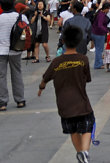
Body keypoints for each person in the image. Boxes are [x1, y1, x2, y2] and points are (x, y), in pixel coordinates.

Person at [38, 26, 95, 163]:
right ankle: (85, 152)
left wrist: (41, 87)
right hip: (81, 102)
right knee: (88, 126)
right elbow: (87, 78)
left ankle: (80, 153)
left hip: (64, 105)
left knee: (73, 130)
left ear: (62, 41)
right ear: (79, 41)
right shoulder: (83, 60)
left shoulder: (56, 61)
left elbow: (45, 77)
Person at [0, 0, 29, 111]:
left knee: (0, 76)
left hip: (1, 50)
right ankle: (20, 100)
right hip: (16, 50)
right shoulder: (21, 17)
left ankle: (2, 102)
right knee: (17, 74)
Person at [89, 2, 110, 70]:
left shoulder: (99, 12)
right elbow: (100, 25)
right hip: (99, 34)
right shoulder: (102, 15)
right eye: (108, 9)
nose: (109, 10)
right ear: (106, 8)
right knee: (99, 49)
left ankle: (99, 63)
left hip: (94, 32)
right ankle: (98, 64)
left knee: (99, 49)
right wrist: (107, 31)